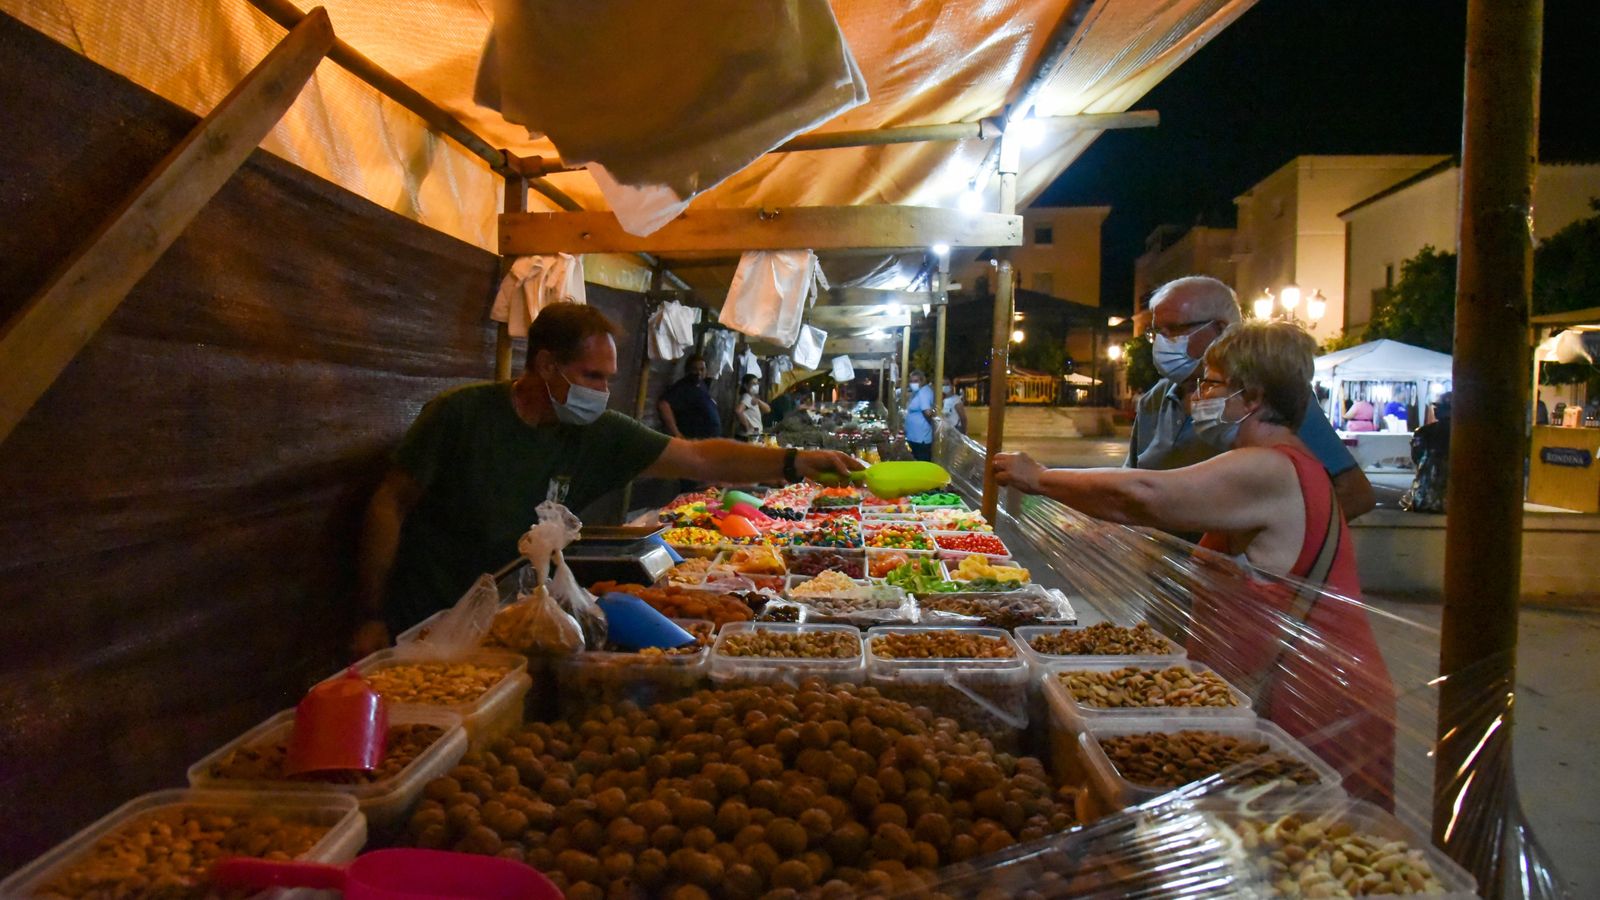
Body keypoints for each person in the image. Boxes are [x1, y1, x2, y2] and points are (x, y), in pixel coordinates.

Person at [994, 320, 1396, 805]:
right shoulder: (1282, 463)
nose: (1196, 396)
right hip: (1302, 694)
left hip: (1318, 705)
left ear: (1250, 397)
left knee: (1302, 856)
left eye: (1211, 383)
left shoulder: (1271, 467)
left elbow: (1145, 495)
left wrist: (1039, 478)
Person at [353, 304, 859, 655]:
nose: (604, 392)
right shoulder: (461, 414)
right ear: (547, 364)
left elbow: (700, 459)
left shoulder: (595, 431)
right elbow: (389, 504)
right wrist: (371, 612)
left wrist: (793, 462)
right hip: (428, 617)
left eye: (610, 379)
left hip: (516, 618)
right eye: (594, 376)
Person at [1128, 276, 1375, 521]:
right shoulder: (1154, 400)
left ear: (1219, 329)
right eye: (1157, 332)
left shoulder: (1272, 393)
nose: (1161, 342)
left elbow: (1354, 493)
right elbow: (1133, 483)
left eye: (1174, 330)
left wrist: (1279, 539)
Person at [1401, 392, 1451, 513]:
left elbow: (1416, 457)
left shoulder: (1424, 431)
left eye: (1438, 408)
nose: (1435, 411)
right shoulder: (1468, 433)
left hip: (1427, 489)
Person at [656, 354, 720, 440]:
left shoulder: (702, 385)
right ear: (687, 370)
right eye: (694, 369)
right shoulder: (683, 387)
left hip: (708, 440)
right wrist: (677, 434)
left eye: (702, 369)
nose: (699, 373)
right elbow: (663, 405)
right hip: (694, 440)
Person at [903, 369, 936, 461]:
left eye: (916, 381)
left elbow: (927, 412)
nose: (913, 384)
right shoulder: (916, 393)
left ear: (922, 381)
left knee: (921, 464)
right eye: (911, 381)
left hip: (921, 438)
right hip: (913, 436)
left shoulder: (924, 392)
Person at [733, 374, 770, 440]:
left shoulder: (752, 398)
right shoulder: (747, 397)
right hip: (748, 437)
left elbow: (767, 409)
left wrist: (758, 401)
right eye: (753, 384)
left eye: (757, 384)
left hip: (751, 436)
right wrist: (747, 426)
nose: (756, 386)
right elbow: (738, 411)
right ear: (745, 386)